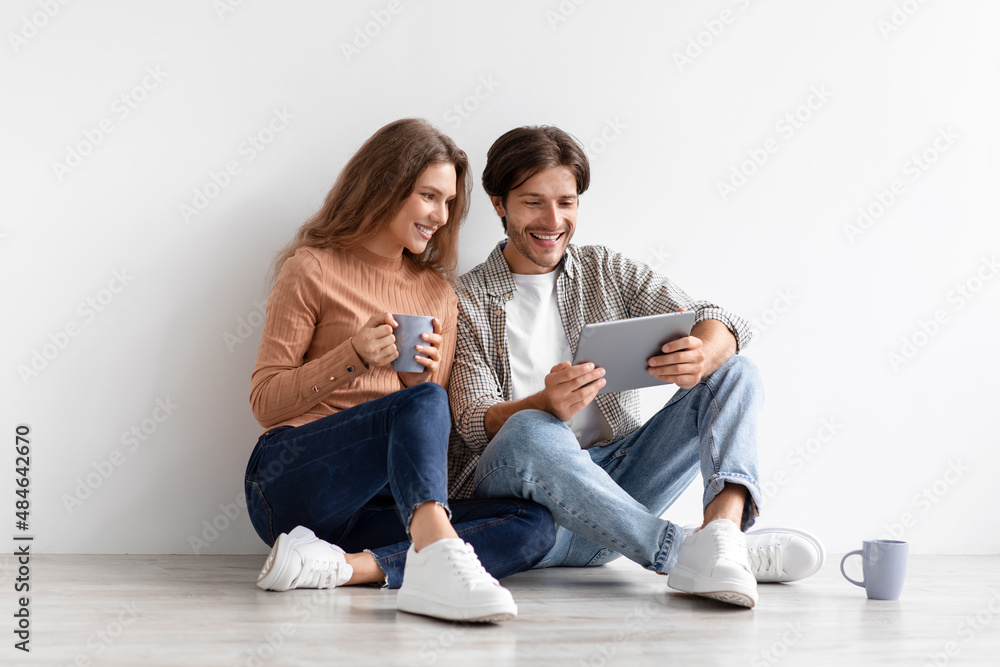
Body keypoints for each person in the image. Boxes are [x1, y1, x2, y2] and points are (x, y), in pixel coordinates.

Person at [447, 125, 824, 609]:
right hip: (529, 514)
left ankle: (722, 537)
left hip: (617, 493)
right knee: (531, 429)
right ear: (499, 204)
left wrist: (704, 354)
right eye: (533, 202)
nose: (553, 219)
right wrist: (542, 405)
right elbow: (473, 422)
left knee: (737, 372)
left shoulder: (604, 269)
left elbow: (720, 320)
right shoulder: (463, 300)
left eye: (567, 202)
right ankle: (687, 552)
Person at [244, 118, 555, 623]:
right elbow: (264, 402)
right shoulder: (312, 268)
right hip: (291, 484)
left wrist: (416, 384)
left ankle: (344, 568)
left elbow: (431, 432)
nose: (441, 214)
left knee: (535, 524)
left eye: (449, 202)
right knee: (426, 402)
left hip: (381, 506)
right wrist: (354, 357)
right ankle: (435, 561)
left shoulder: (437, 294)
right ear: (386, 185)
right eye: (429, 196)